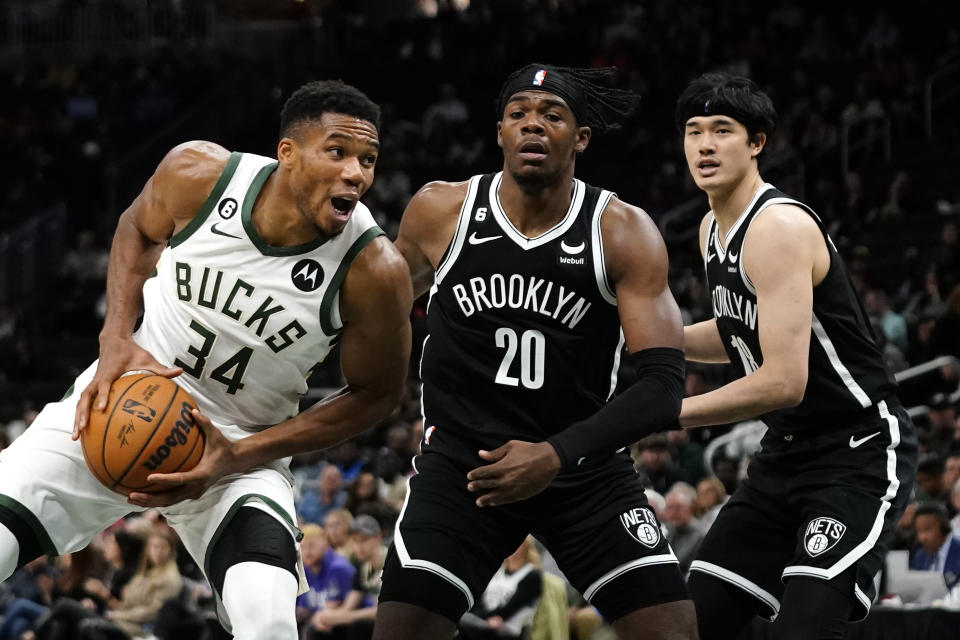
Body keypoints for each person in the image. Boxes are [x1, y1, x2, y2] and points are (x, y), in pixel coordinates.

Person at [0, 79, 413, 640]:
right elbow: (135, 227)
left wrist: (239, 453)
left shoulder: (374, 270)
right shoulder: (199, 174)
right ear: (286, 154)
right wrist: (115, 337)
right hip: (120, 400)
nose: (357, 174)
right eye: (337, 152)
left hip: (238, 447)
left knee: (266, 620)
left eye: (367, 159)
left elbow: (378, 396)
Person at [379, 63, 696, 640]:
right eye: (519, 114)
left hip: (581, 468)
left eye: (552, 115)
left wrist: (554, 454)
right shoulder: (440, 211)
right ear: (498, 131)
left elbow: (660, 387)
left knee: (673, 631)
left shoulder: (622, 231)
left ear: (580, 138)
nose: (533, 125)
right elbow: (375, 314)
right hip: (464, 468)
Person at [675, 72, 917, 639]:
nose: (705, 145)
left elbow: (784, 380)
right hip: (784, 454)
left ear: (757, 142)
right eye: (693, 131)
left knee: (804, 629)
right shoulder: (711, 227)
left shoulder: (778, 226)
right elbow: (739, 331)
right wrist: (660, 340)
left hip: (855, 448)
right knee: (691, 623)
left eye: (722, 130)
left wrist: (669, 411)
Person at [909, 502, 960, 590]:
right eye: (918, 531)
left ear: (944, 527)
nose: (922, 537)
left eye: (927, 529)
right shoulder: (919, 556)